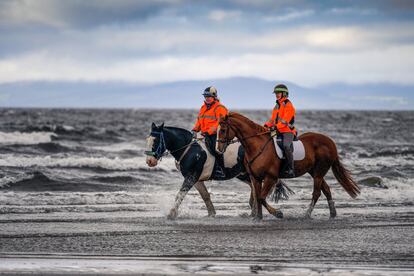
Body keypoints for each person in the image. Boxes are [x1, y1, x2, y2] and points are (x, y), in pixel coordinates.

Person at [192, 86, 228, 176]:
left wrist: (210, 131)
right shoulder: (203, 108)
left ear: (214, 97)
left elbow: (221, 123)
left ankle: (220, 169)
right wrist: (195, 130)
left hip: (216, 134)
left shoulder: (220, 108)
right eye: (205, 96)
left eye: (209, 96)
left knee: (214, 149)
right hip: (205, 134)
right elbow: (199, 121)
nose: (207, 98)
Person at [264, 84, 297, 177]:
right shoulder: (276, 106)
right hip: (278, 130)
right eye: (276, 93)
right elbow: (273, 120)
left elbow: (285, 121)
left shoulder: (288, 105)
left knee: (286, 146)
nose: (277, 95)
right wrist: (266, 125)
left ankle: (291, 169)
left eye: (278, 93)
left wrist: (275, 127)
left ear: (284, 94)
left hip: (288, 132)